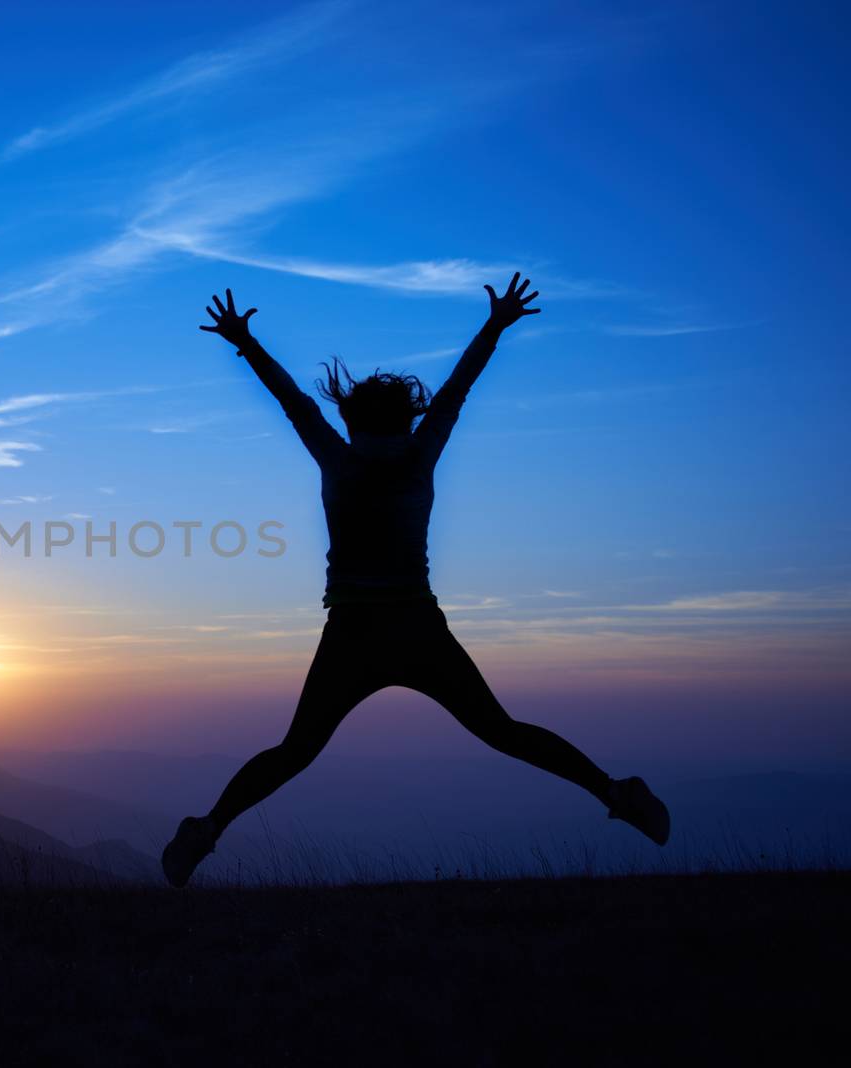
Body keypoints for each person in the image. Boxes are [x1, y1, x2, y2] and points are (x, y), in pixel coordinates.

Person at [162, 275, 669, 888]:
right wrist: (494, 325)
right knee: (501, 731)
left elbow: (292, 398)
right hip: (415, 628)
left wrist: (245, 341)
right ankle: (617, 791)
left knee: (295, 751)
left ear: (351, 419)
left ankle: (207, 830)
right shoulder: (417, 452)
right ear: (405, 419)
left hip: (356, 630)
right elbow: (456, 389)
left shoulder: (337, 455)